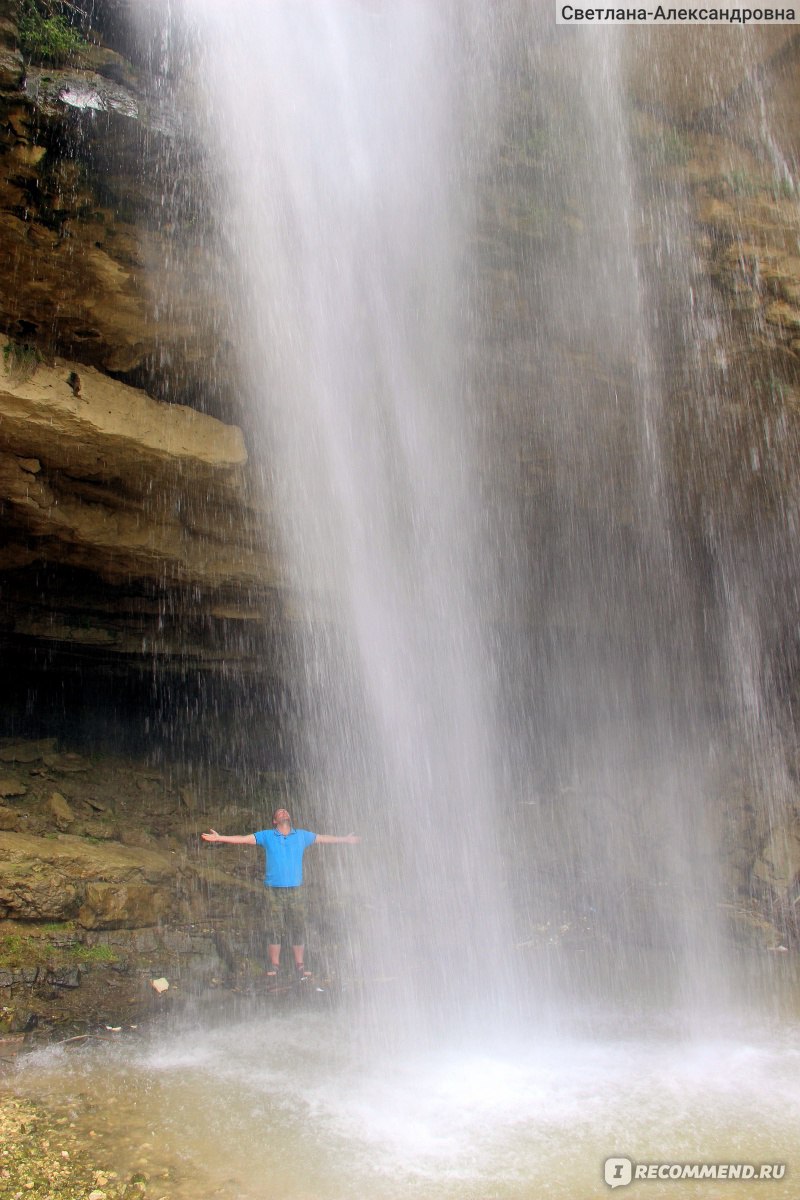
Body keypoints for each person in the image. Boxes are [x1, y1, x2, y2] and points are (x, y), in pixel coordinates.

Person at [202, 808, 359, 986]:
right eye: (279, 812)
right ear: (274, 821)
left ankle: (300, 965)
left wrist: (345, 839)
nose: (283, 813)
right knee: (274, 927)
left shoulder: (301, 836)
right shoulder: (267, 836)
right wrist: (220, 837)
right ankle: (275, 966)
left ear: (290, 818)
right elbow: (244, 839)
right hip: (273, 891)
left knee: (298, 926)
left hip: (295, 890)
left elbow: (322, 838)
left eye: (285, 811)